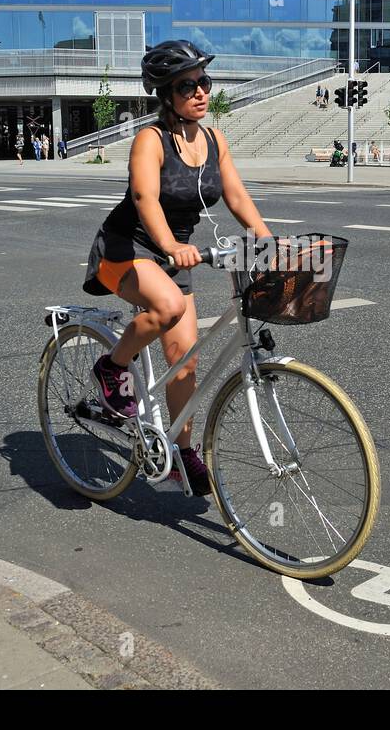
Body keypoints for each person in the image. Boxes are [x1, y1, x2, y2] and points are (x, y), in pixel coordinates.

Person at [81, 40, 273, 497]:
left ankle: (179, 453)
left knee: (185, 360)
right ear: (166, 95)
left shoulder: (212, 138)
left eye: (204, 82)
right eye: (188, 85)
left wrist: (265, 236)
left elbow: (236, 195)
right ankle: (112, 368)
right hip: (128, 247)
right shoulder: (150, 140)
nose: (201, 92)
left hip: (175, 251)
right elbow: (146, 198)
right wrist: (169, 245)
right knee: (166, 306)